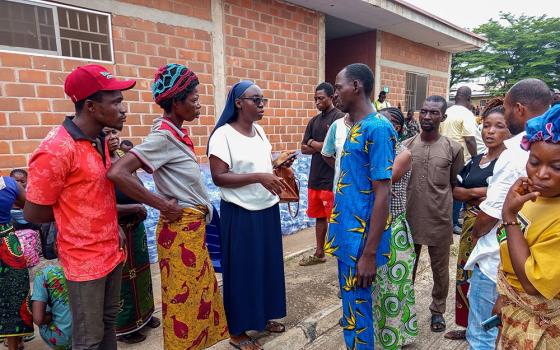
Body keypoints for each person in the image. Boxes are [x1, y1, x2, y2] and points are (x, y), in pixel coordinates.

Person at [107, 64, 228, 350]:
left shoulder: (173, 134)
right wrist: (161, 203)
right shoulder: (162, 137)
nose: (198, 105)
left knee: (198, 298)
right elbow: (118, 172)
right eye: (194, 99)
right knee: (184, 303)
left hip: (191, 228)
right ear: (176, 102)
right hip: (180, 228)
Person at [24, 64, 134, 350]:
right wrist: (80, 222)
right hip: (85, 262)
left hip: (111, 251)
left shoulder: (99, 141)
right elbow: (34, 212)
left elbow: (93, 195)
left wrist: (109, 225)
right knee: (87, 339)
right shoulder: (57, 148)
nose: (124, 108)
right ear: (91, 106)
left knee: (108, 324)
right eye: (116, 101)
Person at [464, 78, 552, 349]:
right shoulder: (544, 149)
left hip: (497, 264)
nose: (540, 173)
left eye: (505, 108)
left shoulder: (516, 151)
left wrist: (476, 235)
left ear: (519, 108)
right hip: (521, 272)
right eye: (535, 164)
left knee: (481, 336)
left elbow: (492, 213)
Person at [208, 80, 290, 350]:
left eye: (263, 99)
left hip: (267, 210)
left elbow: (263, 164)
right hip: (241, 213)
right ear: (238, 102)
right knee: (242, 272)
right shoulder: (223, 135)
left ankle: (262, 317)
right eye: (256, 99)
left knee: (266, 267)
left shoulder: (260, 131)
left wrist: (277, 165)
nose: (261, 104)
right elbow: (219, 177)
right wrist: (258, 177)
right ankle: (238, 332)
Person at [325, 63, 396, 349]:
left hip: (361, 241)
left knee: (360, 312)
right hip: (347, 234)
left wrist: (368, 253)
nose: (334, 94)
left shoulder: (378, 128)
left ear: (356, 86)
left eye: (338, 86)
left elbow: (383, 193)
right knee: (351, 312)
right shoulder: (355, 127)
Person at [494, 104, 560, 348]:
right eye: (534, 161)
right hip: (516, 309)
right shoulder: (534, 197)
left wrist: (509, 217)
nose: (541, 174)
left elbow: (533, 284)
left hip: (544, 329)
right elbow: (511, 252)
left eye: (557, 167)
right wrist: (505, 298)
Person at [443, 99, 510, 341]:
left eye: (499, 126)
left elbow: (501, 197)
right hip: (470, 226)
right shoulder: (476, 159)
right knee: (465, 275)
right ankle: (467, 325)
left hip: (488, 227)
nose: (490, 131)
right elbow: (456, 191)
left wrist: (475, 194)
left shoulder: (507, 163)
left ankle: (486, 330)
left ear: (509, 129)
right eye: (487, 126)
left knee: (488, 280)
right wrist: (481, 192)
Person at [404, 95, 464, 333]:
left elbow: (456, 185)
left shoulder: (453, 148)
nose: (427, 117)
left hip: (439, 219)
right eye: (424, 111)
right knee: (407, 268)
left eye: (434, 113)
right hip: (409, 219)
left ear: (443, 117)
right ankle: (403, 309)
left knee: (440, 271)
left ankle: (437, 311)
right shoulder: (406, 146)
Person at [103, 128, 160, 344]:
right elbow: (101, 205)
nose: (114, 137)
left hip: (135, 227)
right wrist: (135, 206)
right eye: (107, 134)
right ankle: (126, 327)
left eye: (115, 133)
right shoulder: (100, 165)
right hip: (118, 229)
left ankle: (143, 317)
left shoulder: (121, 158)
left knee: (143, 274)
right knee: (124, 281)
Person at [374, 107, 418, 348]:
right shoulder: (375, 150)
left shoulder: (403, 153)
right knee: (375, 287)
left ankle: (394, 338)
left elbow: (382, 179)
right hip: (373, 225)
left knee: (393, 286)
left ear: (397, 128)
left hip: (393, 227)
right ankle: (378, 336)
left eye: (386, 123)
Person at [299, 82, 345, 266]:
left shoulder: (340, 119)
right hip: (315, 177)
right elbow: (303, 148)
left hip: (332, 178)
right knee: (319, 217)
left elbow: (333, 149)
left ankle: (342, 258)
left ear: (332, 97)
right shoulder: (314, 121)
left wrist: (313, 143)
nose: (317, 102)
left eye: (321, 98)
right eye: (315, 99)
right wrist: (319, 145)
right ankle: (320, 252)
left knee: (336, 218)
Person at [440, 86, 479, 234]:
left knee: (445, 190)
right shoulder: (467, 114)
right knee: (458, 191)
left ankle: (445, 220)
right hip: (460, 159)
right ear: (469, 99)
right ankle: (453, 223)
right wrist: (476, 160)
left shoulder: (446, 112)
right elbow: (469, 139)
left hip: (443, 155)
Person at [0, 176, 32, 350]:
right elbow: (28, 206)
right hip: (7, 243)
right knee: (14, 293)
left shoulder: (11, 184)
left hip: (7, 245)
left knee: (13, 293)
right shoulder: (10, 184)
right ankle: (14, 343)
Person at [31, 258, 72, 350]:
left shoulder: (44, 274)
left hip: (63, 339)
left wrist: (51, 316)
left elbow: (38, 319)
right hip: (94, 334)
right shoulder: (99, 269)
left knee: (39, 305)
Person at [321, 110, 353, 191]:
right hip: (341, 192)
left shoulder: (374, 125)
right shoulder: (337, 125)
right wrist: (341, 167)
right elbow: (326, 154)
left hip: (367, 194)